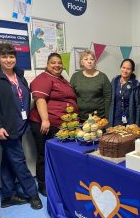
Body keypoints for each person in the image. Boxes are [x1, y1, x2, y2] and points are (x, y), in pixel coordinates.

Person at [0, 43, 42, 209]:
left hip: (20, 125)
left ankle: (7, 196)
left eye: (11, 56)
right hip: (6, 128)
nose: (8, 59)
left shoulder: (19, 75)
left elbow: (22, 97)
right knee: (19, 161)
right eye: (4, 56)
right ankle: (33, 194)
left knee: (8, 160)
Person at [30, 53, 78, 196]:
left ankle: (56, 181)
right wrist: (45, 120)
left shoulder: (62, 79)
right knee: (43, 155)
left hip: (61, 126)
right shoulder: (43, 78)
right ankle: (43, 185)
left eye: (59, 63)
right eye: (53, 63)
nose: (57, 65)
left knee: (57, 156)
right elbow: (40, 100)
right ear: (47, 64)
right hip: (45, 124)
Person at [70, 50, 111, 120]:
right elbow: (71, 97)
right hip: (80, 118)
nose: (89, 61)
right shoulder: (75, 77)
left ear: (94, 61)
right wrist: (73, 115)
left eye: (92, 59)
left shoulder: (103, 77)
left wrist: (107, 117)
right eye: (86, 59)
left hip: (99, 118)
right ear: (82, 62)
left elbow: (108, 98)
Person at [109, 59, 139, 126]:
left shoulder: (135, 84)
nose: (125, 71)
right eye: (123, 67)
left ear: (132, 71)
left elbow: (138, 106)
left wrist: (137, 124)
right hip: (115, 119)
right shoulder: (114, 81)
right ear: (120, 68)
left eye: (128, 69)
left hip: (129, 119)